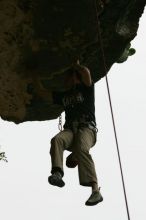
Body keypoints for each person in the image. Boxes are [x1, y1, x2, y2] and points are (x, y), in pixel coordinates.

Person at [48, 60, 103, 206]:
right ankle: (57, 173)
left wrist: (76, 66)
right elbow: (44, 94)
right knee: (57, 140)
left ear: (76, 78)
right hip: (70, 131)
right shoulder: (63, 96)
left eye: (70, 77)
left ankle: (95, 191)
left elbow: (87, 73)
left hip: (87, 129)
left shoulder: (86, 89)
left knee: (82, 148)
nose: (67, 81)